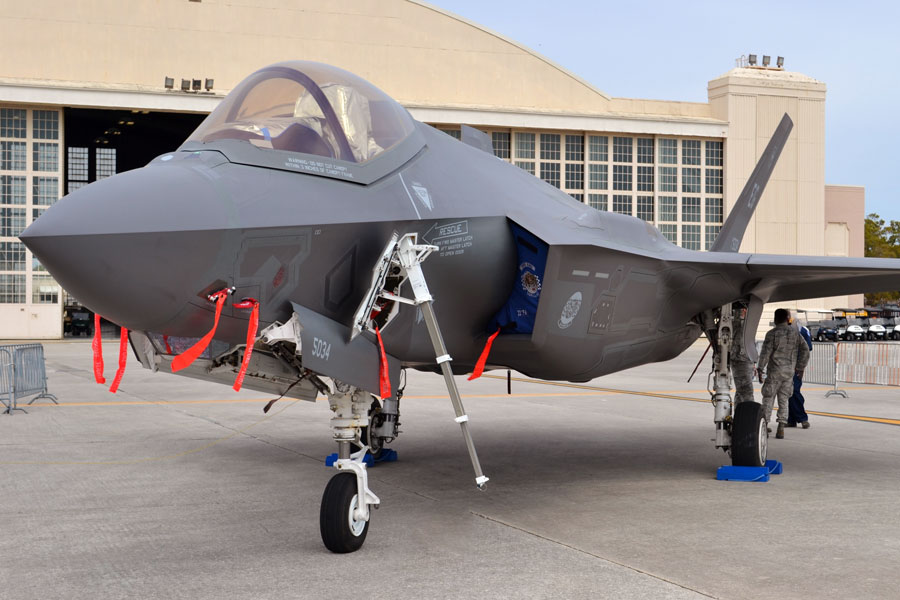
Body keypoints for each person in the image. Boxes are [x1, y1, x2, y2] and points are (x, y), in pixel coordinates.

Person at [757, 309, 810, 439]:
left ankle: (765, 424)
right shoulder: (795, 334)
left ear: (775, 319)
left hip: (774, 372)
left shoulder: (771, 334)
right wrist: (800, 367)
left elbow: (765, 353)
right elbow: (805, 350)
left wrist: (760, 368)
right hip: (789, 373)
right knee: (784, 400)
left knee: (768, 398)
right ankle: (781, 427)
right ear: (787, 319)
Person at [788, 322, 813, 428]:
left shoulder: (802, 330)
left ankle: (802, 418)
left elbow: (807, 349)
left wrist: (800, 367)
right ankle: (791, 419)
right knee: (789, 393)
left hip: (796, 367)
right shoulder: (786, 329)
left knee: (795, 391)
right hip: (786, 366)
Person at [729, 303, 756, 404]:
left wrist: (753, 363)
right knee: (746, 391)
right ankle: (748, 415)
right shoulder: (743, 325)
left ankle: (739, 414)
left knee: (740, 391)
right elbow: (745, 343)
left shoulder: (735, 324)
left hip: (740, 359)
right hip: (741, 360)